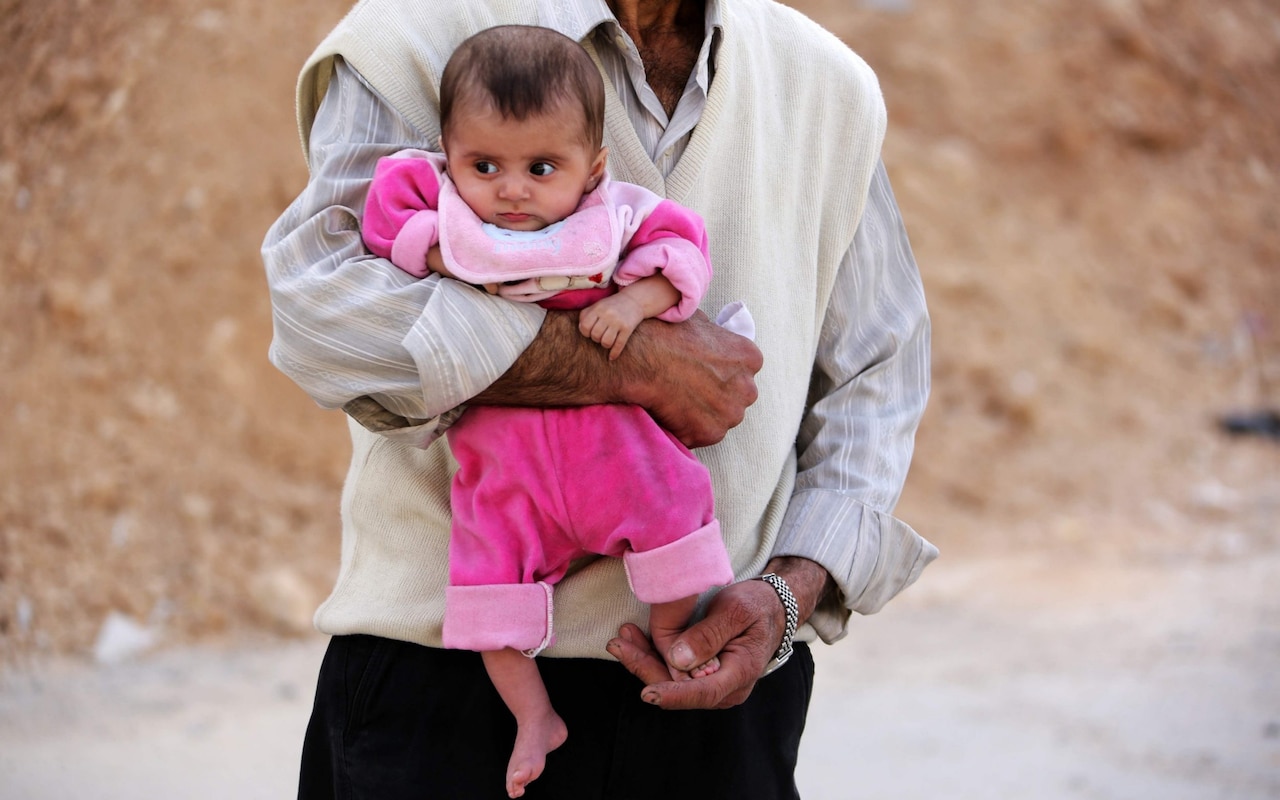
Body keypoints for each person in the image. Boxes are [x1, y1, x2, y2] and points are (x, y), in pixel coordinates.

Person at [262, 0, 938, 797]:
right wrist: (630, 364)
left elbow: (878, 373)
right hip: (445, 703)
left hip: (720, 711)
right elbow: (321, 317)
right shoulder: (413, 33)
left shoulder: (827, 85)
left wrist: (791, 590)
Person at [359, 25, 743, 797]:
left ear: (593, 169)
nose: (510, 190)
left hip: (615, 453)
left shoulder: (616, 215)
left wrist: (637, 300)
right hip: (505, 476)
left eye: (541, 168)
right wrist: (435, 247)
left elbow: (683, 249)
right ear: (447, 154)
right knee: (483, 588)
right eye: (483, 165)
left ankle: (670, 627)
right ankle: (535, 717)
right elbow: (386, 214)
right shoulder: (449, 211)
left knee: (674, 509)